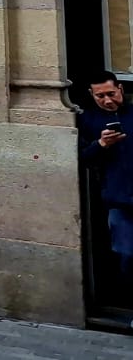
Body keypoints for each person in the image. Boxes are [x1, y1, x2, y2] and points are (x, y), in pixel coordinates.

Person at [81, 70, 133, 287]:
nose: (107, 100)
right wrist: (101, 145)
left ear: (120, 89)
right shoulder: (88, 120)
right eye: (100, 96)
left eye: (111, 93)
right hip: (118, 200)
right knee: (126, 256)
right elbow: (82, 158)